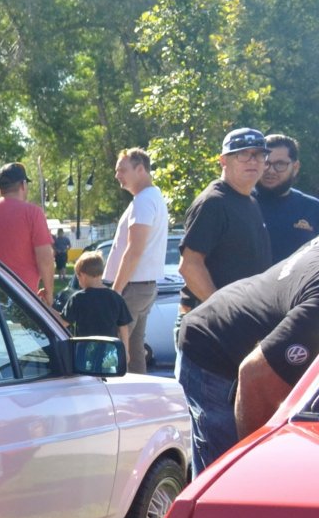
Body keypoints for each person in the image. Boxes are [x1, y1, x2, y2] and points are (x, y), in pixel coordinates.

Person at [176, 239, 319, 473]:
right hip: (215, 349)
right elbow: (254, 376)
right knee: (229, 481)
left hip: (244, 327)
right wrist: (257, 470)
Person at [177, 127, 272, 316]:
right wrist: (224, 311)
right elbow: (189, 266)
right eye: (243, 154)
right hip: (213, 321)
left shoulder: (250, 200)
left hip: (248, 316)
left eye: (259, 154)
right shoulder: (213, 202)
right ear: (223, 161)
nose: (253, 160)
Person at [104, 147, 170, 374]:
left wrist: (115, 290)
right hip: (143, 286)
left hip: (131, 288)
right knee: (134, 349)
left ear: (140, 169)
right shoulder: (152, 197)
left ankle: (112, 401)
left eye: (122, 169)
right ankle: (140, 400)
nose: (117, 175)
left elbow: (134, 250)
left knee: (112, 348)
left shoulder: (143, 201)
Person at [0, 162, 55, 303]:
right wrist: (49, 292)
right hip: (23, 297)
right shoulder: (33, 213)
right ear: (23, 185)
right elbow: (45, 258)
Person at [257, 133, 319, 262]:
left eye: (280, 164)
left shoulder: (312, 208)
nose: (271, 170)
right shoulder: (239, 203)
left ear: (295, 167)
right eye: (266, 163)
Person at [63, 251, 133, 354]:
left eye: (78, 277)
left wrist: (45, 307)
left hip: (85, 352)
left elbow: (63, 322)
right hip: (109, 352)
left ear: (82, 275)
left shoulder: (77, 298)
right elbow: (123, 327)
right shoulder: (116, 298)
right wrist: (125, 351)